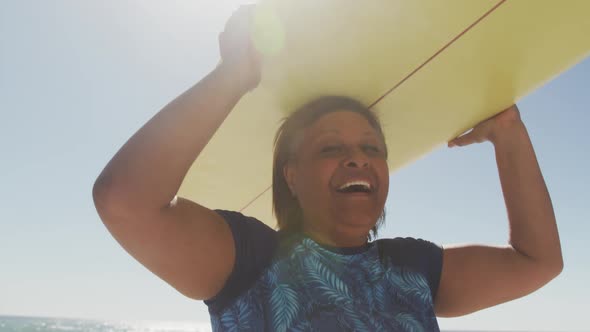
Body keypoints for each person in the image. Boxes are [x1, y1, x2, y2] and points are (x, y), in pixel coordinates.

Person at [92, 5, 563, 331]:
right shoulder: (249, 260)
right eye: (330, 148)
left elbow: (537, 262)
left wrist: (509, 133)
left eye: (371, 147)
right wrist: (232, 77)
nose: (357, 157)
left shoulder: (411, 268)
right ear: (291, 176)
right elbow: (125, 201)